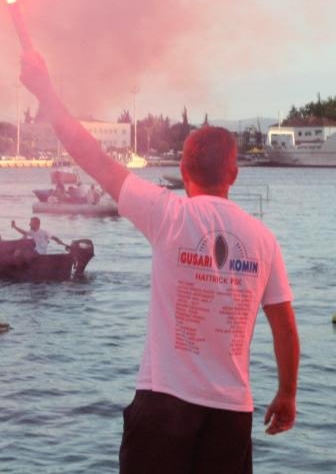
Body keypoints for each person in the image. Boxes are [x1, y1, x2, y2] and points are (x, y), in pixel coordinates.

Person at [20, 49, 299, 472]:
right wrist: (288, 393)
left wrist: (46, 92)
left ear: (184, 169)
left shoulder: (169, 214)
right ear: (234, 174)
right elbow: (284, 326)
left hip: (165, 403)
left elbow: (91, 156)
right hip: (231, 414)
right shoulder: (263, 240)